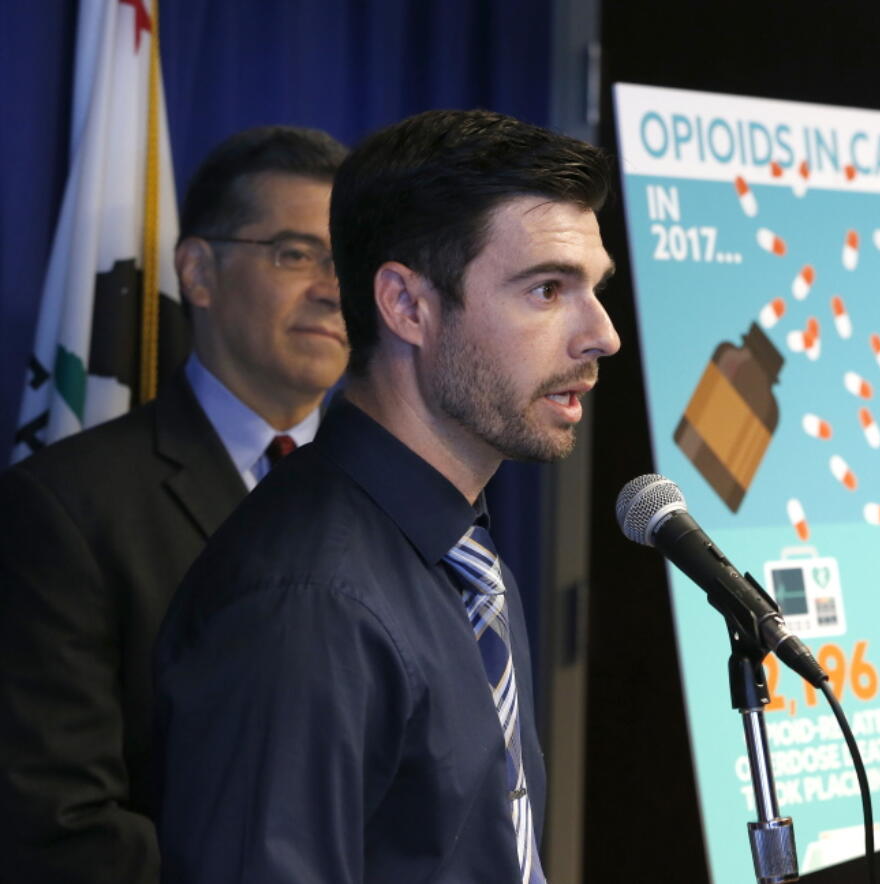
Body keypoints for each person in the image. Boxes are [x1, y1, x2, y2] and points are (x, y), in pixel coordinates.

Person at [154, 109, 620, 883]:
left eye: (594, 290)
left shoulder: (459, 552)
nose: (600, 334)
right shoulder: (307, 602)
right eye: (546, 289)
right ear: (407, 306)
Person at [0, 126, 349, 884]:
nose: (332, 286)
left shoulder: (393, 499)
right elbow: (60, 827)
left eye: (346, 258)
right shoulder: (67, 507)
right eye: (296, 254)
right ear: (197, 270)